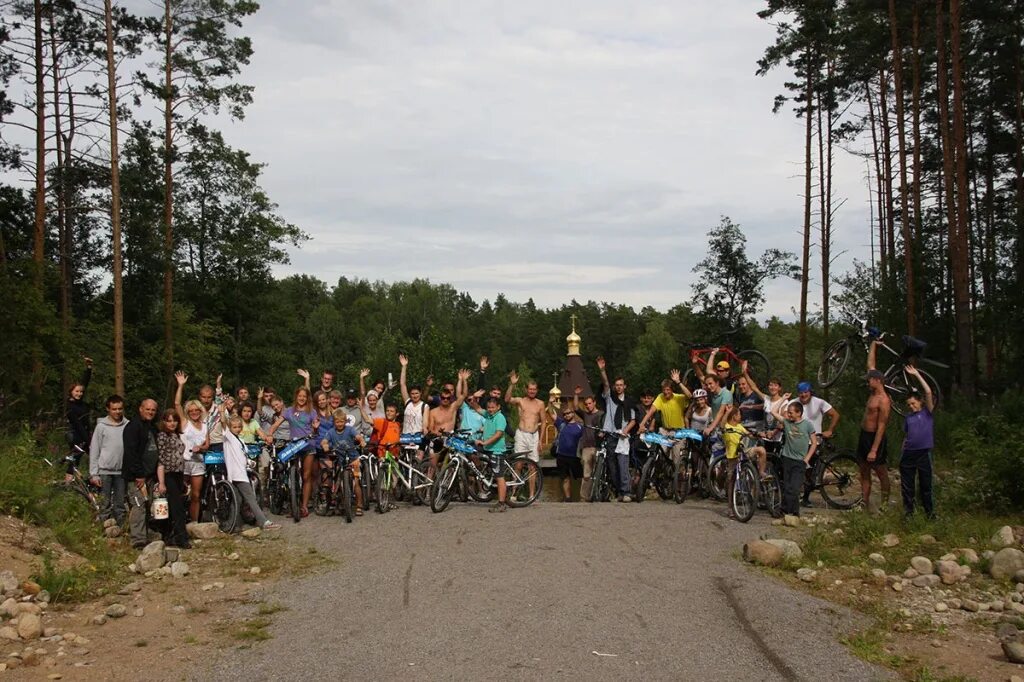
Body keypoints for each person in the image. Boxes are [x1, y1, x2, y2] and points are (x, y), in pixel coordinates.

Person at [223, 416, 280, 530]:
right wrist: (221, 409)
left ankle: (231, 524)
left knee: (237, 500)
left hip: (243, 472)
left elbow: (242, 455)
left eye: (239, 427)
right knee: (251, 498)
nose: (237, 429)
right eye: (234, 427)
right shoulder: (228, 438)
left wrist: (249, 462)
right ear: (230, 428)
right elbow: (223, 423)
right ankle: (264, 522)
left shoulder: (241, 440)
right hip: (237, 474)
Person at [790, 381, 840, 507]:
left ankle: (806, 498)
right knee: (801, 468)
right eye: (801, 393)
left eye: (806, 392)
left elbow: (835, 414)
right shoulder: (794, 402)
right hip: (798, 441)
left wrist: (830, 430)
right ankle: (798, 495)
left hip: (815, 440)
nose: (803, 395)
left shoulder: (819, 402)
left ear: (810, 392)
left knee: (810, 470)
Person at [596, 356, 636, 502]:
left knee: (622, 465)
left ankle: (626, 492)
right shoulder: (610, 398)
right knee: (611, 466)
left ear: (625, 386)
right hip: (611, 435)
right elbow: (605, 383)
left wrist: (626, 430)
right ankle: (617, 490)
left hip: (622, 437)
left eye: (621, 385)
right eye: (616, 385)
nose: (618, 387)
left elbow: (633, 420)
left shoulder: (629, 402)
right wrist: (602, 370)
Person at [275, 386, 320, 518]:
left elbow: (315, 430)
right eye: (300, 396)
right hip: (294, 446)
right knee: (292, 474)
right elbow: (276, 424)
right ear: (296, 397)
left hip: (308, 446)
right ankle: (293, 504)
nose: (302, 398)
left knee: (306, 476)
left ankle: (304, 506)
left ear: (307, 398)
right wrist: (269, 434)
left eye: (304, 396)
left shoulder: (312, 412)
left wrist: (316, 429)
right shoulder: (289, 411)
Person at [859, 339, 893, 510]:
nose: (867, 382)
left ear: (877, 380)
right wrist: (873, 345)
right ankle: (864, 503)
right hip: (864, 435)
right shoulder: (873, 390)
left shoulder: (884, 400)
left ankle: (885, 505)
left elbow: (882, 425)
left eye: (869, 380)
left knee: (880, 472)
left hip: (875, 437)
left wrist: (874, 448)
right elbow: (870, 364)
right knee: (863, 470)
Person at [122, 398, 159, 549]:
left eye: (153, 410)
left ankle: (145, 534)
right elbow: (131, 453)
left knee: (147, 504)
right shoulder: (133, 427)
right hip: (137, 476)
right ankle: (137, 540)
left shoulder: (152, 427)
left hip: (149, 475)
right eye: (147, 409)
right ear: (140, 409)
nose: (150, 412)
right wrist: (138, 474)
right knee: (138, 505)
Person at [772, 395, 817, 517]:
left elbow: (814, 443)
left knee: (795, 488)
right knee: (787, 486)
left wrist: (807, 459)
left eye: (791, 413)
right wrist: (783, 399)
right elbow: (773, 411)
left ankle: (791, 510)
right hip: (787, 458)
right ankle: (787, 510)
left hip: (800, 461)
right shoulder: (786, 422)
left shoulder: (808, 425)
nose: (789, 415)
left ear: (799, 413)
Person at [900, 366, 935, 519]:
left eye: (913, 403)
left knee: (925, 485)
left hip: (923, 453)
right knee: (907, 486)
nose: (911, 406)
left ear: (919, 402)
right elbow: (907, 436)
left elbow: (928, 392)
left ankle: (929, 513)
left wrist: (917, 375)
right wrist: (902, 452)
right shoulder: (908, 418)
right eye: (909, 405)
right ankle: (909, 513)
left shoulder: (927, 413)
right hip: (909, 454)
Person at [505, 370, 546, 500]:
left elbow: (544, 422)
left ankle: (532, 495)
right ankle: (514, 493)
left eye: (534, 389)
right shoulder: (521, 401)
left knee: (532, 466)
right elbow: (506, 399)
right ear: (526, 389)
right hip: (522, 434)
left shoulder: (540, 404)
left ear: (537, 390)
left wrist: (540, 440)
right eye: (530, 389)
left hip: (534, 435)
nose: (532, 391)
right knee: (519, 464)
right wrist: (512, 385)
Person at [88, 394, 128, 525]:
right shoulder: (101, 427)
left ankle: (121, 529)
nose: (117, 412)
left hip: (121, 471)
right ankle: (103, 528)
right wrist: (94, 473)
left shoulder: (127, 425)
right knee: (104, 503)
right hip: (104, 470)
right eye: (114, 409)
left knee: (120, 503)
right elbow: (95, 449)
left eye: (120, 409)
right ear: (108, 409)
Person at [175, 372, 209, 523]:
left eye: (197, 410)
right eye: (191, 410)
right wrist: (180, 385)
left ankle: (194, 523)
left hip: (198, 463)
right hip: (183, 462)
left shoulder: (205, 426)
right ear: (188, 411)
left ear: (201, 411)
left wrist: (200, 448)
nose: (194, 412)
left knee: (196, 495)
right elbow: (177, 404)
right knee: (181, 493)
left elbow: (207, 445)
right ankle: (179, 522)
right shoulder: (184, 422)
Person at [155, 408, 190, 548]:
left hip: (179, 473)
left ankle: (172, 536)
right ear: (164, 422)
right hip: (168, 474)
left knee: (177, 505)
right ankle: (182, 539)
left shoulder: (177, 435)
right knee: (177, 508)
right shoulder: (163, 436)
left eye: (174, 420)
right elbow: (161, 460)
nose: (172, 423)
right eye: (169, 421)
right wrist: (161, 482)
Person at [320, 409, 366, 515]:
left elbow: (358, 436)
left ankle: (359, 505)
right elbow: (324, 440)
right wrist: (324, 445)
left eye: (342, 422)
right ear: (334, 422)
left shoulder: (350, 430)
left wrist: (361, 441)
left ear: (345, 421)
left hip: (353, 459)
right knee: (337, 480)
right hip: (340, 460)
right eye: (337, 422)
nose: (340, 424)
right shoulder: (331, 432)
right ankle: (338, 501)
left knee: (356, 482)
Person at [474, 397, 508, 513]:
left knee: (499, 476)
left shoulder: (500, 417)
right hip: (488, 448)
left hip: (496, 450)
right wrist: (474, 398)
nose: (490, 410)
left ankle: (502, 503)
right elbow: (476, 408)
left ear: (498, 407)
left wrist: (485, 442)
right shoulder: (488, 415)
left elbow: (498, 434)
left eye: (493, 407)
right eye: (488, 407)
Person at [573, 387, 604, 501]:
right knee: (586, 474)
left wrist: (602, 433)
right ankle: (584, 497)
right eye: (586, 404)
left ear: (594, 403)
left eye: (590, 403)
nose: (588, 406)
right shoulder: (585, 415)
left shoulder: (601, 414)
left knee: (599, 472)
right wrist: (576, 394)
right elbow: (575, 407)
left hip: (598, 447)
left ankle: (598, 495)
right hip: (586, 447)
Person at [398, 354, 430, 462]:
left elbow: (425, 422)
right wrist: (404, 367)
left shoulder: (424, 406)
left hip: (418, 437)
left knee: (417, 461)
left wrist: (425, 429)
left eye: (416, 393)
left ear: (420, 393)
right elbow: (402, 384)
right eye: (412, 393)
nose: (414, 395)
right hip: (406, 436)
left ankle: (417, 477)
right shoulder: (408, 403)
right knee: (403, 461)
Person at [550, 402, 584, 502]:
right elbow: (551, 413)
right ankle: (568, 498)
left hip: (575, 457)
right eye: (564, 414)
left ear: (573, 413)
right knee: (565, 478)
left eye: (568, 413)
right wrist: (550, 402)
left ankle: (580, 497)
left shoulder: (580, 427)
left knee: (579, 478)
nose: (566, 415)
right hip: (561, 455)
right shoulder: (561, 423)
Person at [66, 357, 93, 471]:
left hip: (85, 433)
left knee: (94, 457)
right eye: (76, 391)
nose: (79, 394)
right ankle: (68, 482)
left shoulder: (81, 403)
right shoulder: (70, 407)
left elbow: (84, 383)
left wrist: (89, 368)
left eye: (81, 392)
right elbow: (78, 425)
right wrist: (88, 440)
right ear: (71, 392)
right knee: (74, 459)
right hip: (77, 435)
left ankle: (95, 478)